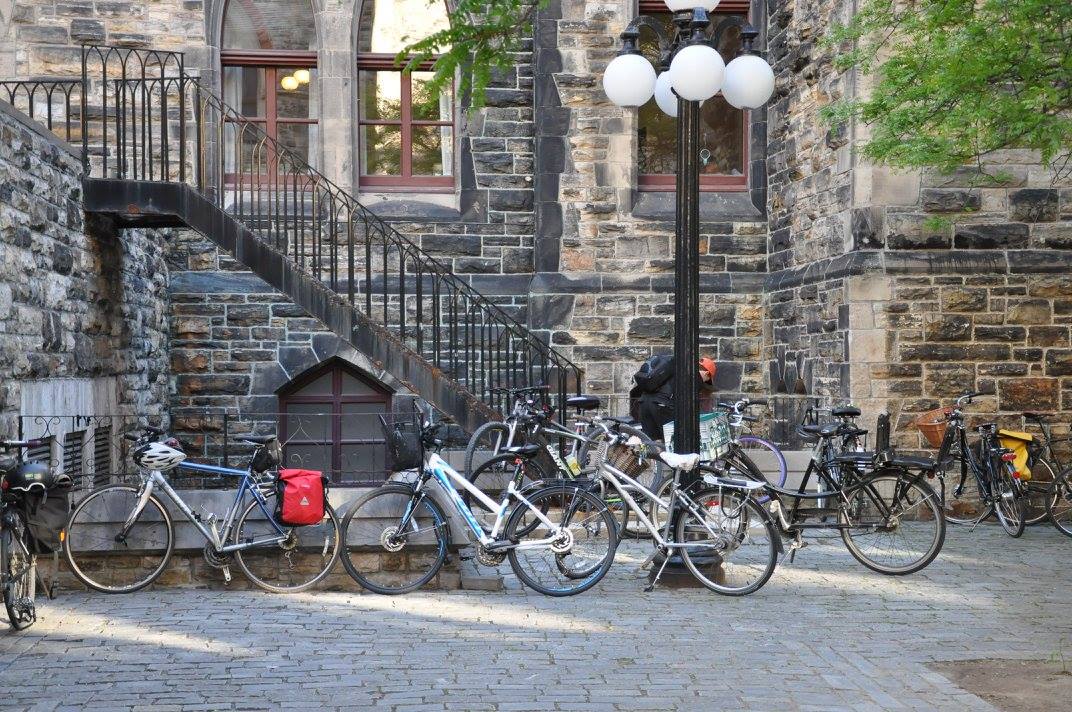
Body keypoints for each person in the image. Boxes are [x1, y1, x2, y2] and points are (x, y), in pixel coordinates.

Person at [630, 355, 716, 441]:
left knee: (651, 441)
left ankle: (652, 454)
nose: (705, 382)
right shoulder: (695, 376)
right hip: (662, 406)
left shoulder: (677, 368)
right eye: (708, 380)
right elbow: (690, 405)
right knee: (672, 442)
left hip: (644, 402)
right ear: (707, 374)